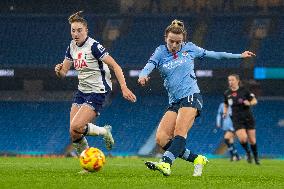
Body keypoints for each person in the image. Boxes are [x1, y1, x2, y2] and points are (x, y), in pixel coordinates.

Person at [138, 19, 256, 176]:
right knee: (161, 139)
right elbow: (149, 65)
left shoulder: (190, 48)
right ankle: (197, 159)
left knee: (180, 131)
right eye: (171, 41)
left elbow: (216, 55)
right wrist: (143, 75)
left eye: (178, 42)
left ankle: (166, 163)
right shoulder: (160, 51)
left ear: (183, 40)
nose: (174, 45)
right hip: (174, 101)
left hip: (191, 96)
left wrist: (239, 56)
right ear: (165, 37)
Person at [54, 11, 136, 162]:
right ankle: (86, 163)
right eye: (73, 30)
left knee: (78, 125)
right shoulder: (71, 47)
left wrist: (124, 87)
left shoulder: (94, 46)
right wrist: (58, 70)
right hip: (82, 91)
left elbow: (116, 66)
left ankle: (104, 131)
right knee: (74, 132)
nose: (76, 33)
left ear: (86, 31)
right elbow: (64, 72)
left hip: (97, 91)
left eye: (79, 30)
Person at [223, 74, 260, 165]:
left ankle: (256, 158)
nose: (230, 82)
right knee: (243, 139)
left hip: (248, 117)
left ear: (237, 81)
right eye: (229, 80)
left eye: (232, 80)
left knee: (252, 140)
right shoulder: (227, 93)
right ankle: (248, 152)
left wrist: (249, 103)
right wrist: (225, 112)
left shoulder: (244, 91)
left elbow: (255, 100)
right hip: (236, 119)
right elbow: (226, 104)